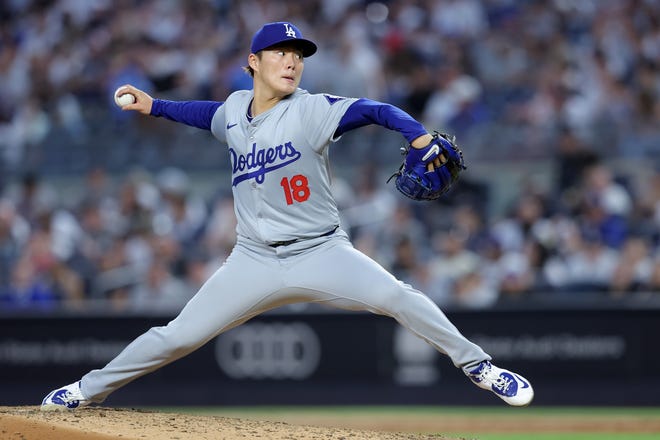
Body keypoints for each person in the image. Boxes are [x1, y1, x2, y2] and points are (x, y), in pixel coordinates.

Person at [41, 22, 534, 410]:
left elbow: (377, 110)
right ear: (253, 62)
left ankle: (481, 368)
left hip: (322, 251)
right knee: (175, 336)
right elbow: (200, 113)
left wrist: (420, 136)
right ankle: (86, 391)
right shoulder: (234, 111)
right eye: (280, 53)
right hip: (251, 260)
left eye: (298, 55)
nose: (292, 62)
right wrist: (154, 106)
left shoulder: (312, 110)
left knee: (398, 297)